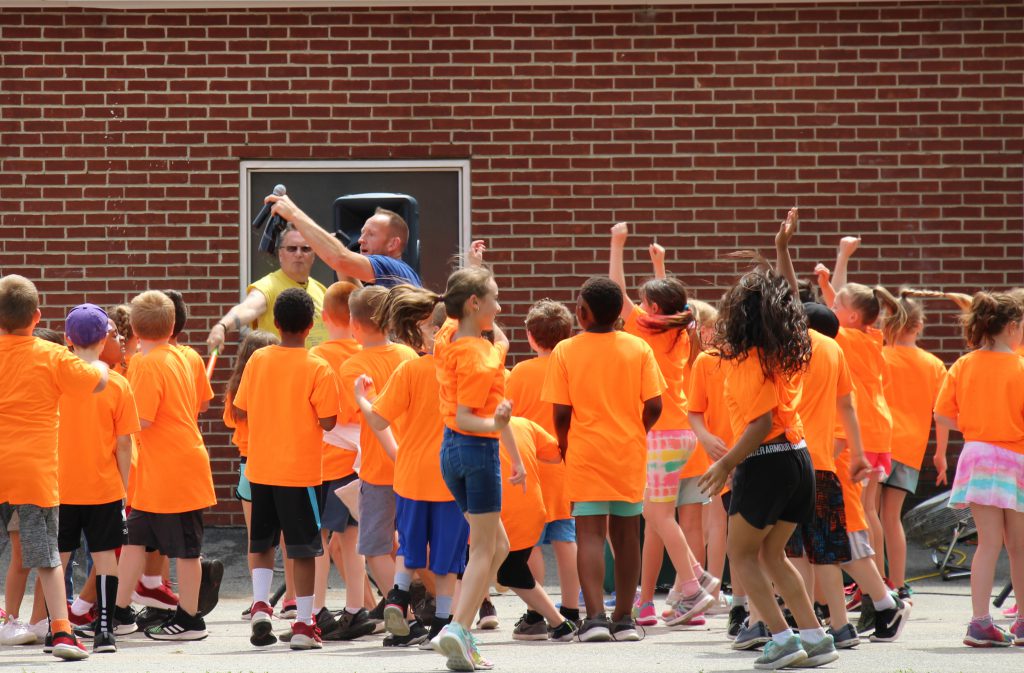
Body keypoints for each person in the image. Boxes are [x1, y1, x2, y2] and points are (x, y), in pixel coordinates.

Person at [380, 266, 524, 669]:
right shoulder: (478, 357)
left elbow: (470, 329)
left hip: (451, 455)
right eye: (493, 298)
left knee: (497, 546)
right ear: (475, 305)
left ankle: (458, 627)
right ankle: (457, 630)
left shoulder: (448, 339)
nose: (499, 304)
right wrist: (496, 424)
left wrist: (477, 266)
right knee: (484, 549)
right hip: (475, 449)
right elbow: (464, 416)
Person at [697, 261, 839, 670]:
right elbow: (793, 303)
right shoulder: (786, 353)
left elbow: (759, 423)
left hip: (766, 463)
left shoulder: (746, 361)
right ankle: (814, 636)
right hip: (799, 459)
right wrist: (782, 250)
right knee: (772, 555)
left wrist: (725, 464)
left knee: (741, 556)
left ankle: (781, 639)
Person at [542, 276, 665, 643]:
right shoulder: (638, 348)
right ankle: (625, 619)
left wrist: (565, 443)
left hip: (585, 451)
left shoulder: (566, 350)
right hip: (627, 451)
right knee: (627, 534)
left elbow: (561, 412)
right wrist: (636, 431)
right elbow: (655, 405)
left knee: (590, 533)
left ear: (582, 312)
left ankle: (595, 618)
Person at [607, 223, 714, 627]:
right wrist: (660, 265)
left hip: (661, 435)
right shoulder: (681, 330)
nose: (638, 303)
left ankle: (691, 585)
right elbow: (668, 299)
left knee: (658, 517)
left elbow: (615, 294)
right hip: (682, 433)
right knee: (658, 517)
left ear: (651, 309)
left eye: (644, 300)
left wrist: (617, 245)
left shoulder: (646, 329)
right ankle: (675, 591)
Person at [0, 274, 109, 660]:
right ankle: (62, 630)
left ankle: (6, 617)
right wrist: (99, 363)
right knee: (45, 553)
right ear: (36, 317)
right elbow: (95, 381)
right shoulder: (52, 355)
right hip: (33, 470)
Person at [354, 301, 466, 648]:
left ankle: (398, 595)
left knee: (409, 543)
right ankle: (442, 623)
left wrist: (362, 397)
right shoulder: (469, 372)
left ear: (429, 332)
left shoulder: (412, 370)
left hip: (412, 473)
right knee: (447, 558)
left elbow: (378, 419)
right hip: (452, 476)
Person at [234, 288, 339, 651]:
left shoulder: (258, 359)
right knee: (305, 549)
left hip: (260, 468)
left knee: (260, 542)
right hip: (301, 473)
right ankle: (304, 623)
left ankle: (261, 602)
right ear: (311, 326)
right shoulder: (317, 366)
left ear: (275, 324)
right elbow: (328, 421)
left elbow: (242, 408)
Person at [114, 290, 216, 641]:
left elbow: (139, 418)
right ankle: (120, 610)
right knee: (133, 540)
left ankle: (190, 619)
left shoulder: (147, 363)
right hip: (160, 470)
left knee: (188, 550)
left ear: (136, 331)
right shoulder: (178, 356)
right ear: (173, 325)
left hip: (174, 470)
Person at [934, 291, 1024, 648]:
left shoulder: (963, 364)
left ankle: (980, 621)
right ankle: (1021, 621)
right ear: (1013, 326)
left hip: (977, 455)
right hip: (1014, 457)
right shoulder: (1020, 367)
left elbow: (942, 415)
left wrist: (976, 428)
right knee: (1018, 546)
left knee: (986, 544)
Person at [336, 286, 420, 645]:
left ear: (353, 324)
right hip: (413, 461)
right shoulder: (407, 354)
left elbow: (353, 418)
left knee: (373, 546)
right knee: (408, 542)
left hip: (377, 467)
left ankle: (402, 611)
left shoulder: (352, 366)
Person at [815, 239, 905, 580]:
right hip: (879, 431)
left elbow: (831, 312)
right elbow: (839, 304)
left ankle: (875, 580)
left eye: (837, 304)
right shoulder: (872, 337)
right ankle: (885, 580)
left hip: (862, 432)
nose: (830, 304)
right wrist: (835, 273)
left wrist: (839, 263)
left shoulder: (848, 339)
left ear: (851, 316)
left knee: (861, 512)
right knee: (870, 510)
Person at [57, 305, 139, 654]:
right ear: (105, 338)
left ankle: (57, 628)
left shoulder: (56, 380)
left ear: (67, 339)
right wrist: (122, 486)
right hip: (103, 486)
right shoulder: (118, 384)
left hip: (59, 485)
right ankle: (105, 629)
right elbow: (124, 444)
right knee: (106, 557)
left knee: (57, 560)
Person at [308, 281, 377, 642]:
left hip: (327, 461)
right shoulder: (366, 354)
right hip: (362, 459)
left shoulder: (317, 356)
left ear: (324, 316)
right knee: (352, 539)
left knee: (318, 539)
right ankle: (356, 608)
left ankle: (316, 608)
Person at [506, 299, 581, 628]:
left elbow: (507, 419)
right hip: (565, 465)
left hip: (530, 468)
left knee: (530, 543)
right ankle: (571, 608)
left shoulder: (520, 372)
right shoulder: (573, 369)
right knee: (566, 539)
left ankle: (537, 610)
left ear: (530, 336)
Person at [879, 290, 949, 601]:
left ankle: (875, 583)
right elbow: (943, 415)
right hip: (911, 449)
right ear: (919, 325)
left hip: (879, 442)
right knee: (891, 518)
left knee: (868, 513)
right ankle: (897, 582)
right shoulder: (934, 365)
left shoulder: (880, 356)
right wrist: (941, 453)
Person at [495, 416, 577, 643]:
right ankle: (567, 615)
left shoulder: (475, 422)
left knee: (497, 566)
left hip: (505, 498)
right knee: (564, 541)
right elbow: (556, 450)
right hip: (544, 486)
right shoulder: (525, 423)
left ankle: (536, 616)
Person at [221, 330, 280, 612]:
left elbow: (230, 421)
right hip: (279, 462)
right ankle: (292, 597)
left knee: (255, 538)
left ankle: (261, 598)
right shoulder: (278, 389)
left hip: (248, 465)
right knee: (289, 537)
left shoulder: (236, 389)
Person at [206, 224, 330, 353]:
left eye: (305, 249)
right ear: (280, 254)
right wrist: (222, 326)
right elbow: (248, 307)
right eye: (292, 249)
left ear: (313, 255)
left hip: (319, 370)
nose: (299, 254)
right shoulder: (268, 286)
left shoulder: (322, 291)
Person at [265, 194, 422, 288]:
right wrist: (340, 260)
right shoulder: (391, 276)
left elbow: (340, 259)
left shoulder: (392, 267)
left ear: (393, 244)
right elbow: (359, 305)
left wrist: (293, 214)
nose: (361, 240)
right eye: (362, 233)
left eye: (371, 235)